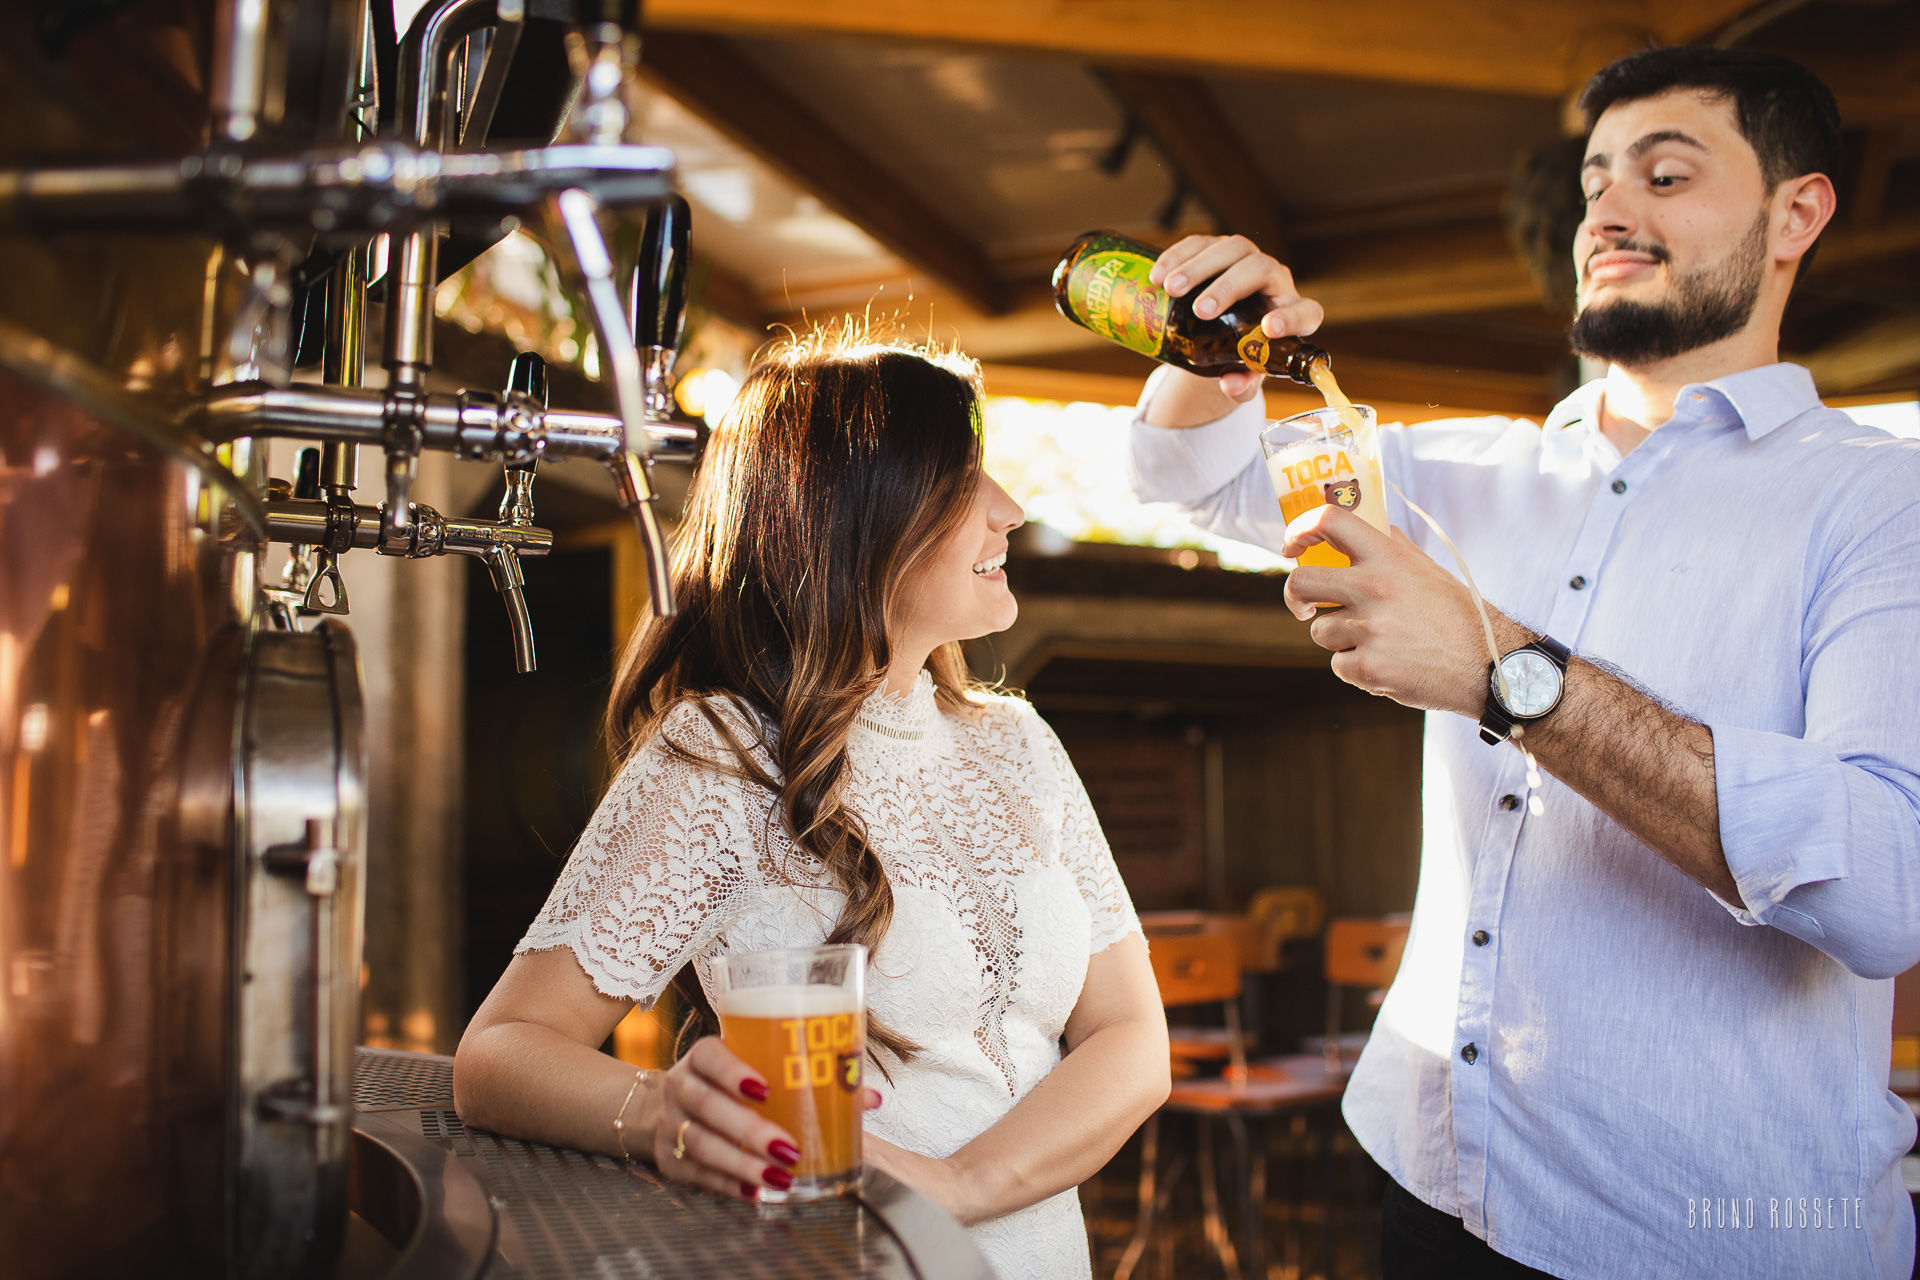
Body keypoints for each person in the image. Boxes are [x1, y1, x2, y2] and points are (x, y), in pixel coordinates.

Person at [1127, 45, 1920, 1280]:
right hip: (1425, 1175)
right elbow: (1206, 474)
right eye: (1598, 179)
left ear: (1796, 213)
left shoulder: (1883, 501)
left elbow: (1886, 887)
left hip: (1711, 1235)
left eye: (1666, 174)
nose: (1610, 209)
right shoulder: (1462, 476)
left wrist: (1503, 669)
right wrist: (1208, 349)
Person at [454, 333, 1171, 1279]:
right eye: (963, 484)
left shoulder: (1019, 743)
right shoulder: (720, 755)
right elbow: (501, 1052)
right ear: (855, 521)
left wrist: (960, 1188)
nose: (1009, 510)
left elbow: (1132, 1039)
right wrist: (662, 1113)